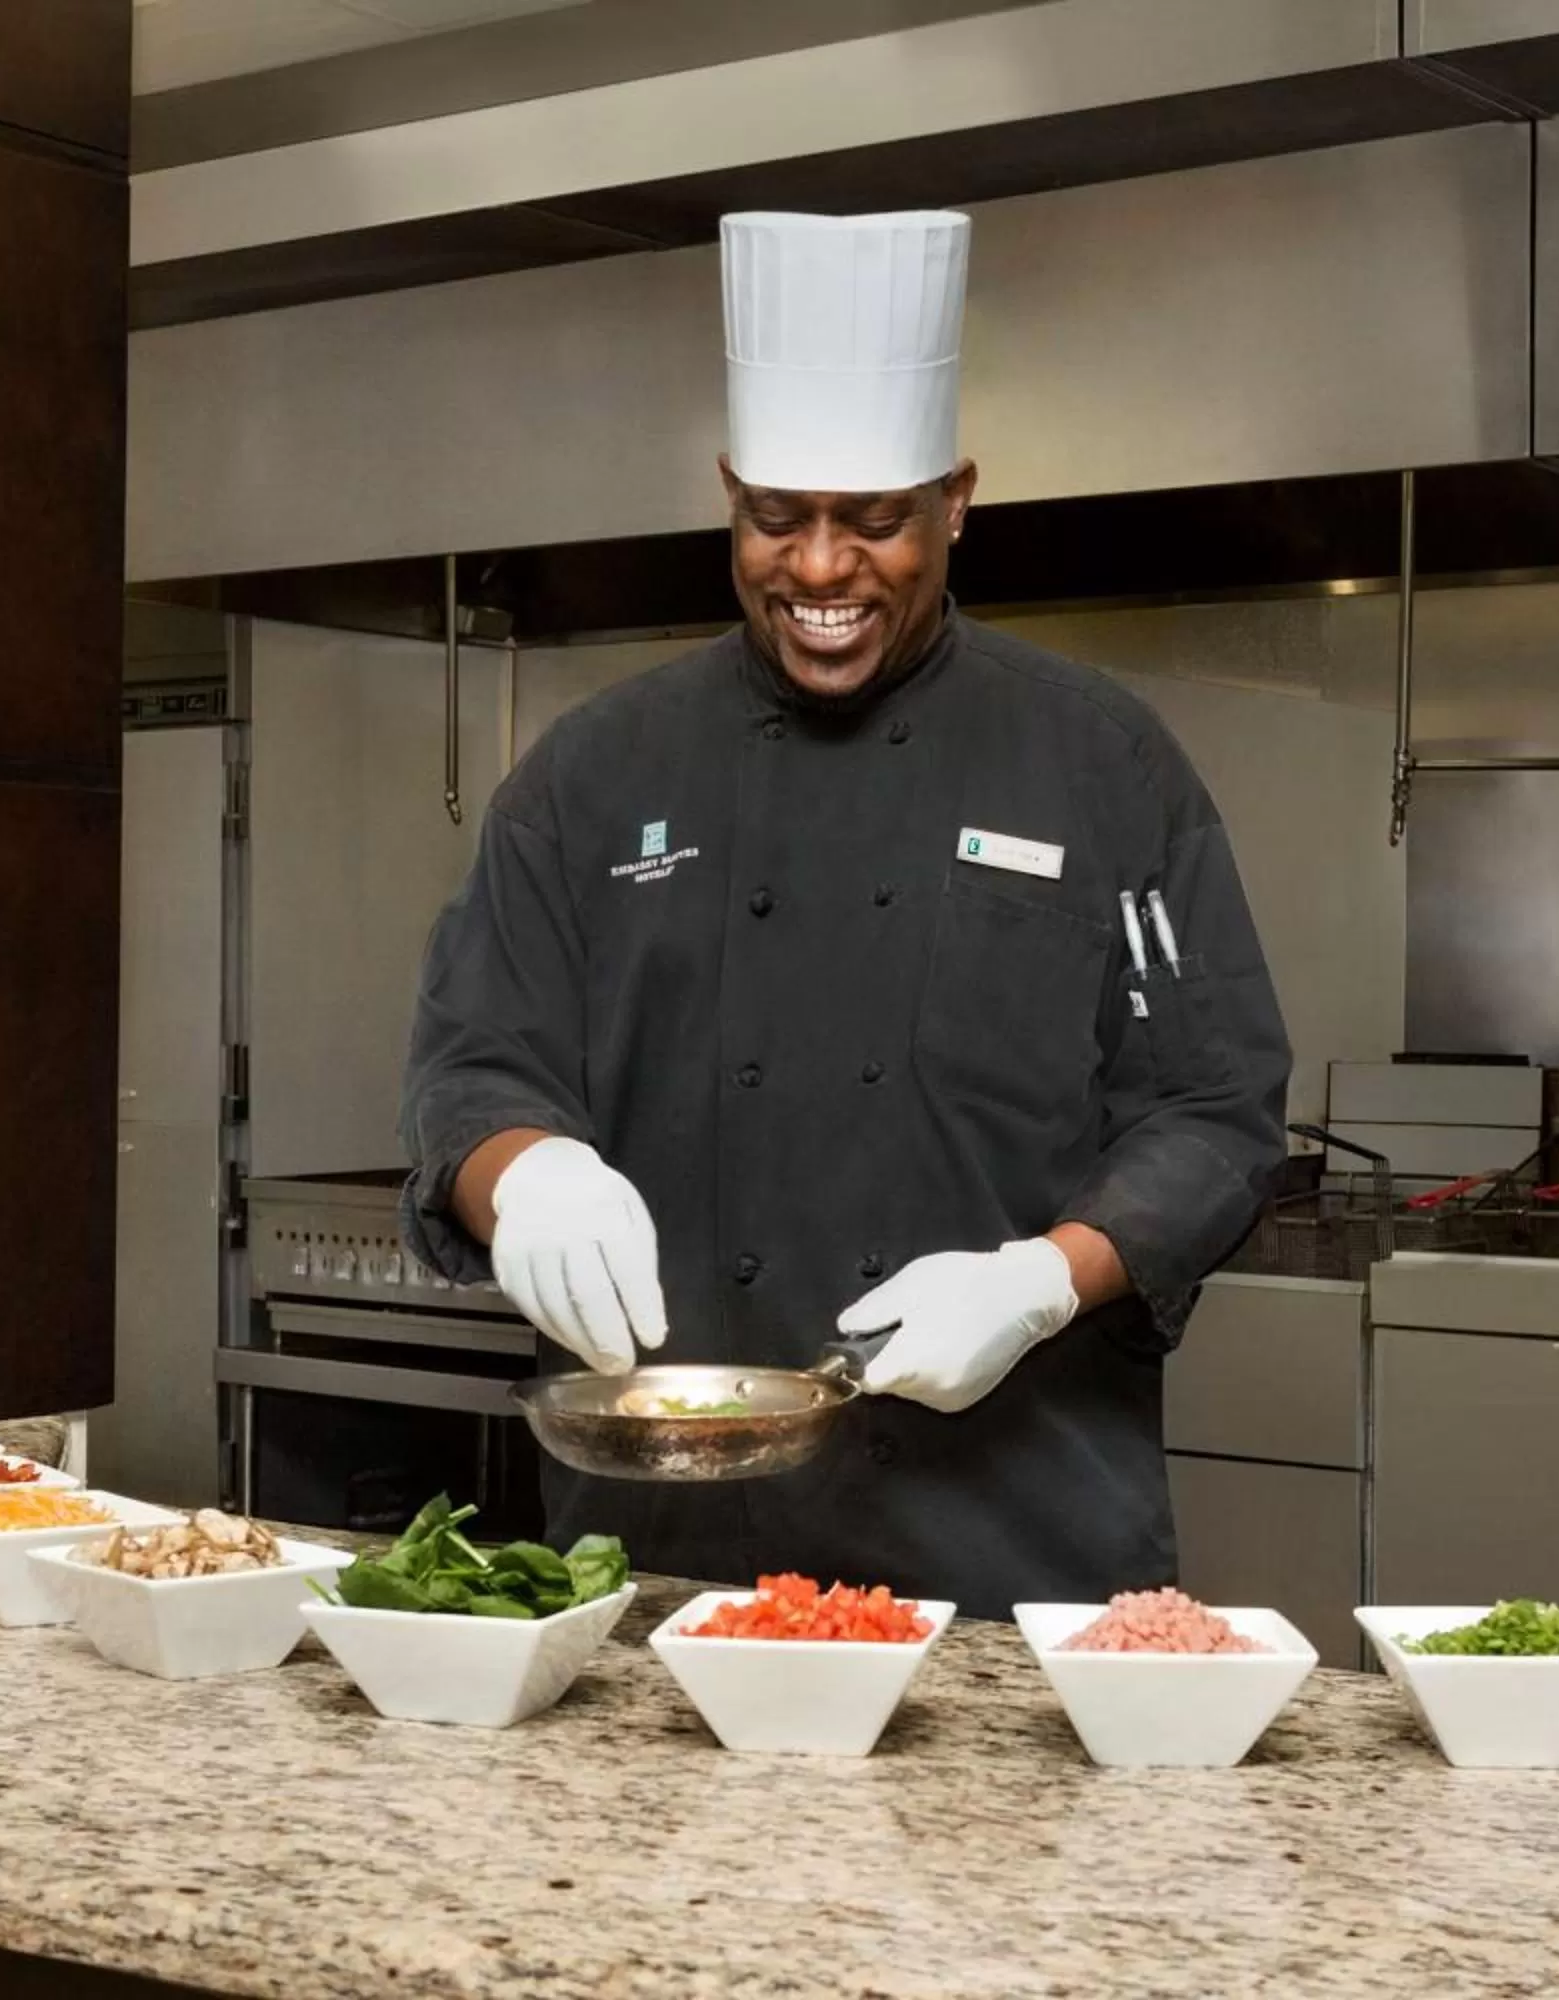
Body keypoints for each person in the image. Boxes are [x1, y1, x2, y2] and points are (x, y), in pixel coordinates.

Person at [399, 210, 1290, 1618]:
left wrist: (1041, 1283)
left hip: (1012, 1553)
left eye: (873, 521)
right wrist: (525, 1179)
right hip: (667, 1554)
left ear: (957, 501)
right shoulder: (592, 771)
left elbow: (1219, 1107)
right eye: (777, 519)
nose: (821, 570)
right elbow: (472, 1066)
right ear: (729, 496)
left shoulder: (1102, 764)